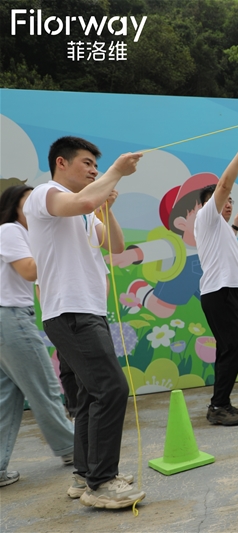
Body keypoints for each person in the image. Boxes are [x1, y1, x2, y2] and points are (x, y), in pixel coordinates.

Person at [24, 136, 145, 509]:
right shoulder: (47, 195)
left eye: (96, 165)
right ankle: (102, 481)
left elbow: (117, 246)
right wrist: (114, 175)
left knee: (93, 395)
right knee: (111, 390)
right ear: (61, 163)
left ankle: (84, 474)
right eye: (87, 163)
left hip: (85, 312)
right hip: (71, 312)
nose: (93, 170)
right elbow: (85, 199)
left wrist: (107, 206)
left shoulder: (84, 212)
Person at [0, 185, 75, 487]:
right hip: (11, 317)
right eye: (29, 202)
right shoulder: (10, 230)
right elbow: (30, 271)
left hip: (10, 318)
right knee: (44, 386)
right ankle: (74, 449)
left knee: (7, 397)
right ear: (14, 207)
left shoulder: (20, 233)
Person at [195, 135, 238, 426]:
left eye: (230, 201)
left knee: (229, 347)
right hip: (220, 291)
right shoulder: (206, 217)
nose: (227, 202)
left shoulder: (222, 228)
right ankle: (218, 406)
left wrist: (236, 226)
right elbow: (223, 185)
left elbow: (226, 241)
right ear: (205, 205)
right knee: (233, 347)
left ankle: (223, 403)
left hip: (229, 291)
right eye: (222, 200)